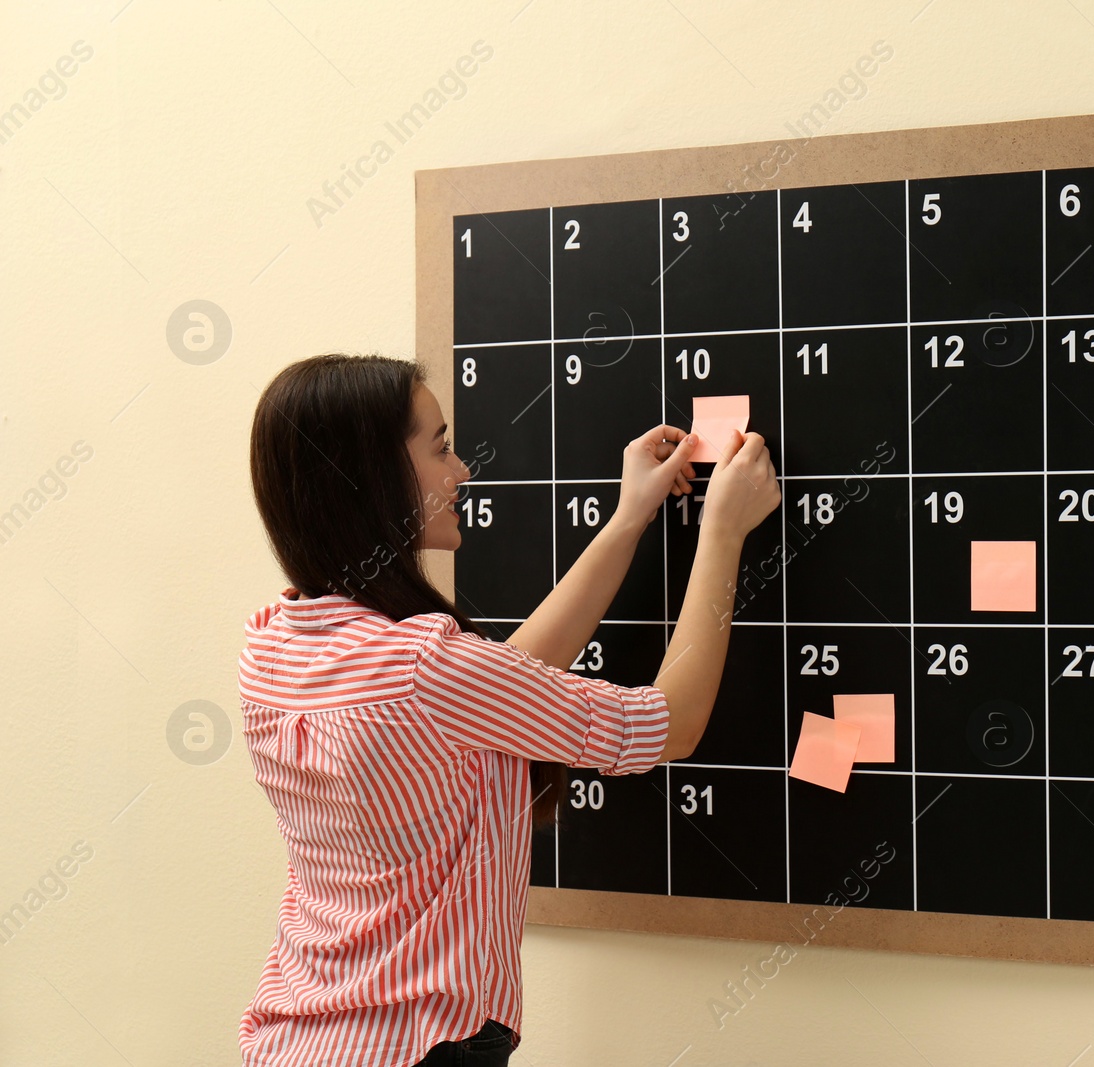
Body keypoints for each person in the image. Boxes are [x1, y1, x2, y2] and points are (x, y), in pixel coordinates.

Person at [237, 353, 778, 1066]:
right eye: (438, 448)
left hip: (294, 1042)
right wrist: (722, 532)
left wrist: (628, 518)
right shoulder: (426, 666)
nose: (461, 470)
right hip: (414, 1049)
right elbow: (670, 723)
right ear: (371, 478)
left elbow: (496, 688)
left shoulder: (271, 642)